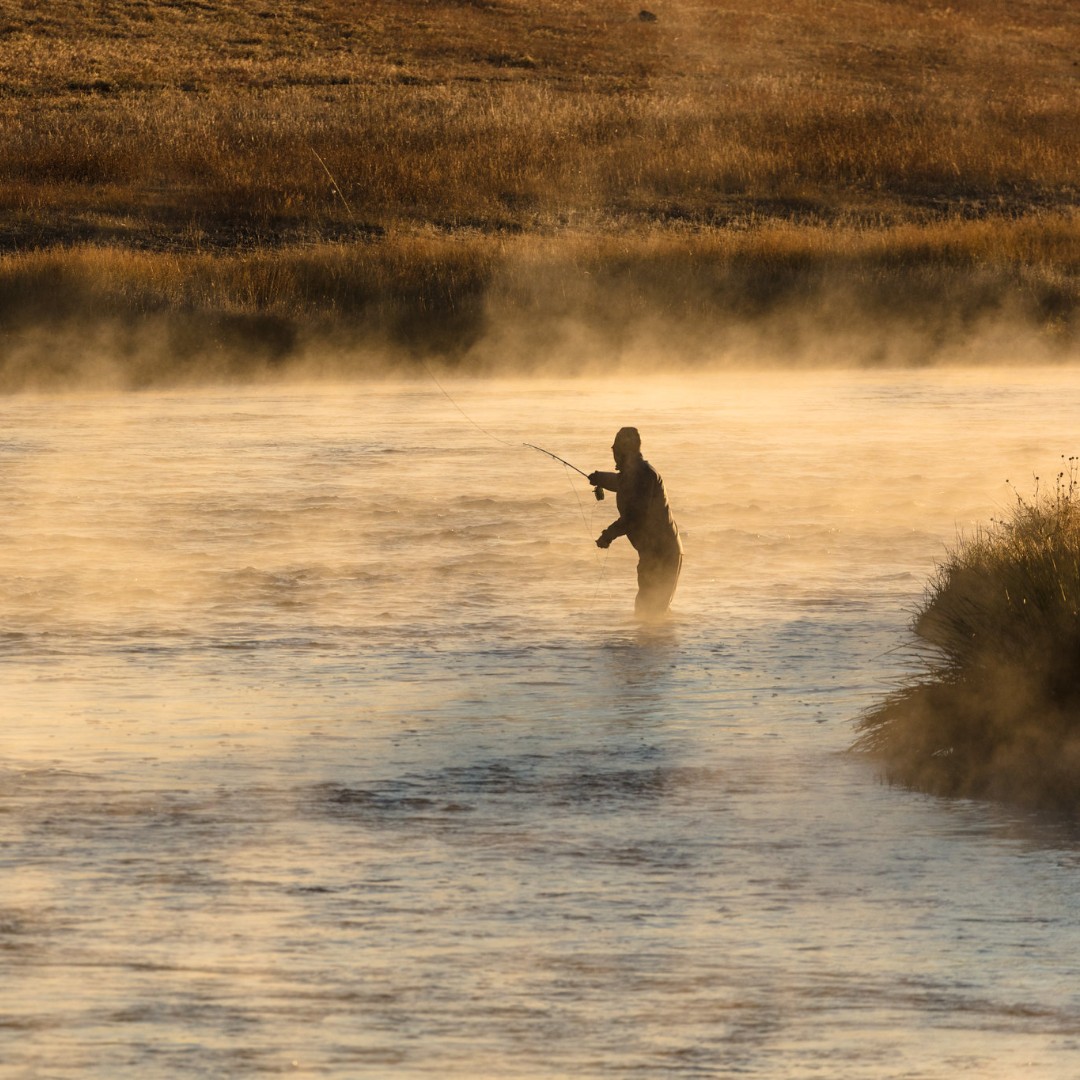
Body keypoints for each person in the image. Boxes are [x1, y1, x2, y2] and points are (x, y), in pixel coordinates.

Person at [588, 427, 682, 618]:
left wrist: (608, 535)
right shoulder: (635, 473)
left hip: (663, 554)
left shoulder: (643, 475)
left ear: (625, 451)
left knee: (650, 612)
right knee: (649, 612)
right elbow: (621, 482)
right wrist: (599, 478)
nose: (613, 452)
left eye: (616, 449)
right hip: (653, 554)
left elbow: (634, 518)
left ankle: (656, 646)